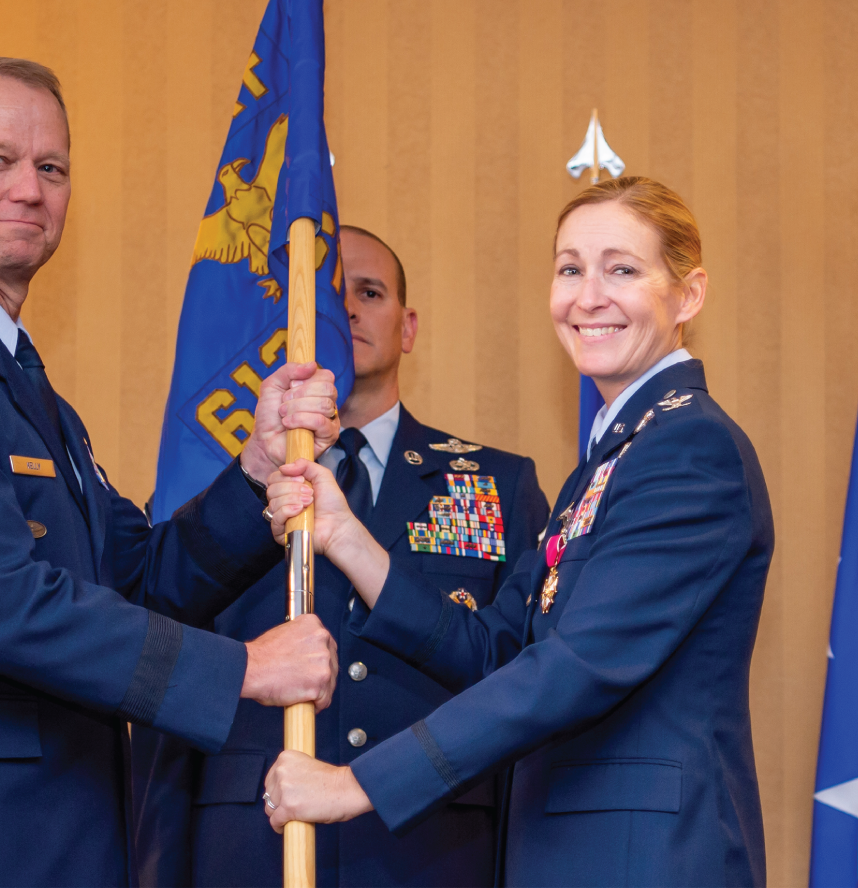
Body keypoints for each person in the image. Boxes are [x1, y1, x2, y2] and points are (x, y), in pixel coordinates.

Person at [0, 56, 342, 887]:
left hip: (49, 841)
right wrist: (247, 670)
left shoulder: (20, 383)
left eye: (52, 168)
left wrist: (255, 471)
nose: (30, 190)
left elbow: (135, 579)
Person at [261, 177, 774, 887]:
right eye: (570, 268)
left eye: (621, 268)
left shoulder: (689, 448)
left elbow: (575, 667)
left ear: (688, 294)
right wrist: (347, 537)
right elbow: (498, 646)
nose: (588, 295)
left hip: (644, 861)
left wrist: (358, 785)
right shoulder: (613, 458)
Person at [130, 226, 550, 887]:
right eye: (327, 294)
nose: (347, 309)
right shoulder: (220, 491)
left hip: (432, 850)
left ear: (407, 326)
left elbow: (524, 681)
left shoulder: (496, 484)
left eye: (370, 292)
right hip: (248, 849)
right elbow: (161, 670)